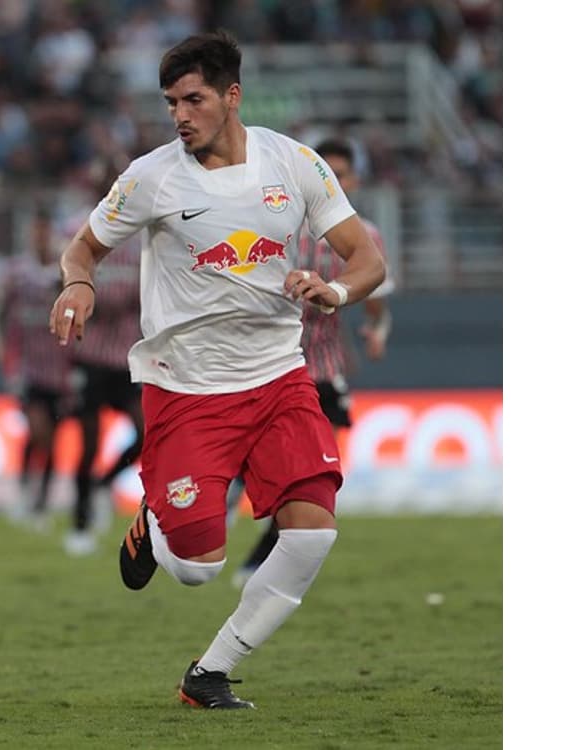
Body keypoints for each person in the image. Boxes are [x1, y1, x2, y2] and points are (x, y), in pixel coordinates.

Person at [49, 31, 386, 709]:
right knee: (199, 570)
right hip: (187, 388)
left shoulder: (294, 164)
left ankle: (209, 673)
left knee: (312, 532)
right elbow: (83, 248)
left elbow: (367, 259)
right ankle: (154, 519)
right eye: (172, 101)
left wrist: (337, 292)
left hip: (277, 376)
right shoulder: (151, 176)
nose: (180, 114)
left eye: (194, 99)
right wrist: (77, 285)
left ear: (232, 97)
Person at [228, 137, 397, 587]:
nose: (336, 182)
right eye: (330, 173)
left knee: (318, 471)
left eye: (343, 174)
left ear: (354, 180)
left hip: (325, 363)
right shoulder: (279, 225)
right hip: (268, 361)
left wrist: (375, 333)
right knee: (261, 453)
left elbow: (377, 302)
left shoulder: (366, 236)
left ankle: (261, 553)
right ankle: (230, 494)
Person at [0, 207, 73, 533]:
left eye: (45, 231)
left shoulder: (66, 270)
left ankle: (41, 500)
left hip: (62, 367)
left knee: (53, 435)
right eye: (36, 231)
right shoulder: (15, 272)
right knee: (39, 430)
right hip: (27, 365)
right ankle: (26, 492)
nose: (40, 237)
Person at [64, 234, 144, 557]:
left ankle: (104, 483)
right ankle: (80, 524)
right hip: (91, 358)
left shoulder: (141, 246)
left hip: (125, 359)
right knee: (89, 445)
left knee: (147, 432)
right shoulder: (83, 240)